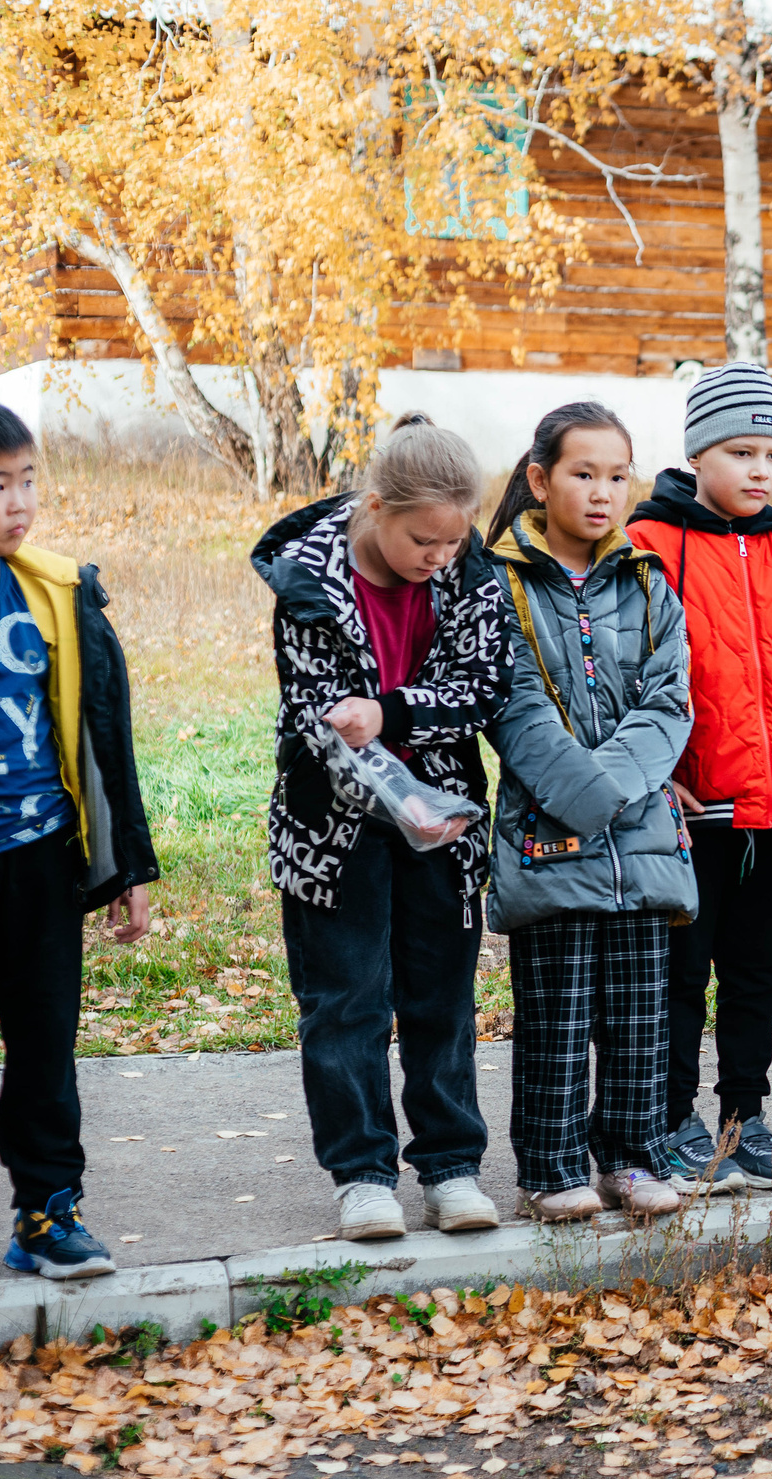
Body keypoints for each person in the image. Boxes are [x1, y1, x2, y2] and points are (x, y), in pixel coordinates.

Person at [0, 394, 157, 1292]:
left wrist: (126, 861)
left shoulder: (56, 590)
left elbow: (104, 733)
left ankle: (49, 1214)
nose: (20, 502)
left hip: (40, 863)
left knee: (46, 1046)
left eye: (28, 480)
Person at [254, 411, 504, 1243]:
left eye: (450, 543)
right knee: (344, 1000)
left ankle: (451, 1166)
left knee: (442, 997)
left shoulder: (469, 571)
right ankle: (362, 1174)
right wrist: (393, 789)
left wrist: (393, 713)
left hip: (446, 819)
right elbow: (317, 718)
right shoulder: (307, 581)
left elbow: (482, 687)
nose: (438, 558)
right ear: (375, 507)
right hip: (333, 825)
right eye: (421, 541)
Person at [484, 403, 695, 1222]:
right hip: (550, 834)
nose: (604, 492)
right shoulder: (500, 584)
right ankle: (550, 1164)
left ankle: (633, 1156)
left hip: (641, 839)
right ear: (540, 480)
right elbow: (518, 710)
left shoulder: (646, 581)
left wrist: (613, 790)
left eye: (617, 475)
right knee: (558, 1016)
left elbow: (668, 699)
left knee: (642, 1012)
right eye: (583, 473)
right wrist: (592, 794)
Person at [625, 363, 772, 1194]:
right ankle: (671, 1118)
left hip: (765, 812)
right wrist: (657, 772)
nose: (760, 469)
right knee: (679, 976)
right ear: (699, 452)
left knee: (754, 975)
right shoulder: (648, 543)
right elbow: (622, 674)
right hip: (686, 810)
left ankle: (745, 1115)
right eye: (742, 450)